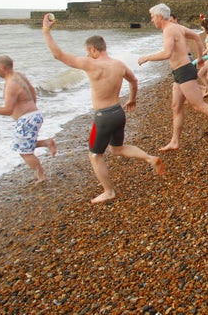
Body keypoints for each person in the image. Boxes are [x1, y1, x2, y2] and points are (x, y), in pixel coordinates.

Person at [41, 16, 165, 204]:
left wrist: (46, 31)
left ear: (93, 50)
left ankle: (108, 191)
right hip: (118, 112)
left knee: (95, 155)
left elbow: (58, 55)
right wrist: (132, 99)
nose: (88, 54)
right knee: (118, 149)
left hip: (103, 117)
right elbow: (134, 80)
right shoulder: (119, 64)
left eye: (88, 51)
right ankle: (149, 158)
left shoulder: (91, 63)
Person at [139, 3, 208, 151]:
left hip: (184, 71)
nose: (152, 20)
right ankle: (175, 141)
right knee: (176, 107)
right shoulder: (176, 27)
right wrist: (199, 58)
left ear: (160, 17)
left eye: (152, 17)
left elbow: (167, 53)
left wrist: (147, 57)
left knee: (198, 105)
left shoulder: (169, 30)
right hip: (179, 72)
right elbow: (196, 38)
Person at [0, 55, 56, 185]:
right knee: (21, 145)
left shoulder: (11, 84)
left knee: (24, 151)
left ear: (2, 67)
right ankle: (47, 143)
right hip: (34, 115)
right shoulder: (19, 75)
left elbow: (8, 111)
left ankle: (41, 177)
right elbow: (32, 90)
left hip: (27, 119)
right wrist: (32, 107)